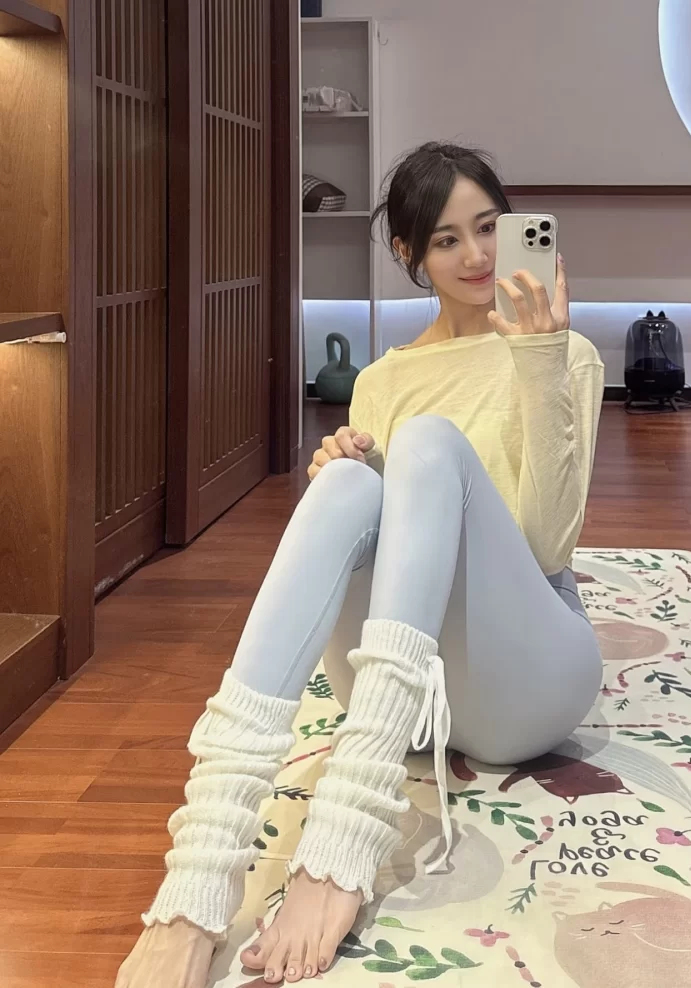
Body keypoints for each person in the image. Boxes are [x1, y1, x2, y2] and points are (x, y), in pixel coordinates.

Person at [115, 141, 605, 988]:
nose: (477, 254)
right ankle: (202, 870)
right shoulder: (381, 378)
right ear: (410, 254)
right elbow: (378, 542)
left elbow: (547, 546)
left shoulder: (567, 352)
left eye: (489, 227)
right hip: (403, 697)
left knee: (428, 444)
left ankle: (344, 835)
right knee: (345, 479)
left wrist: (538, 361)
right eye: (447, 239)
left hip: (527, 681)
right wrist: (346, 479)